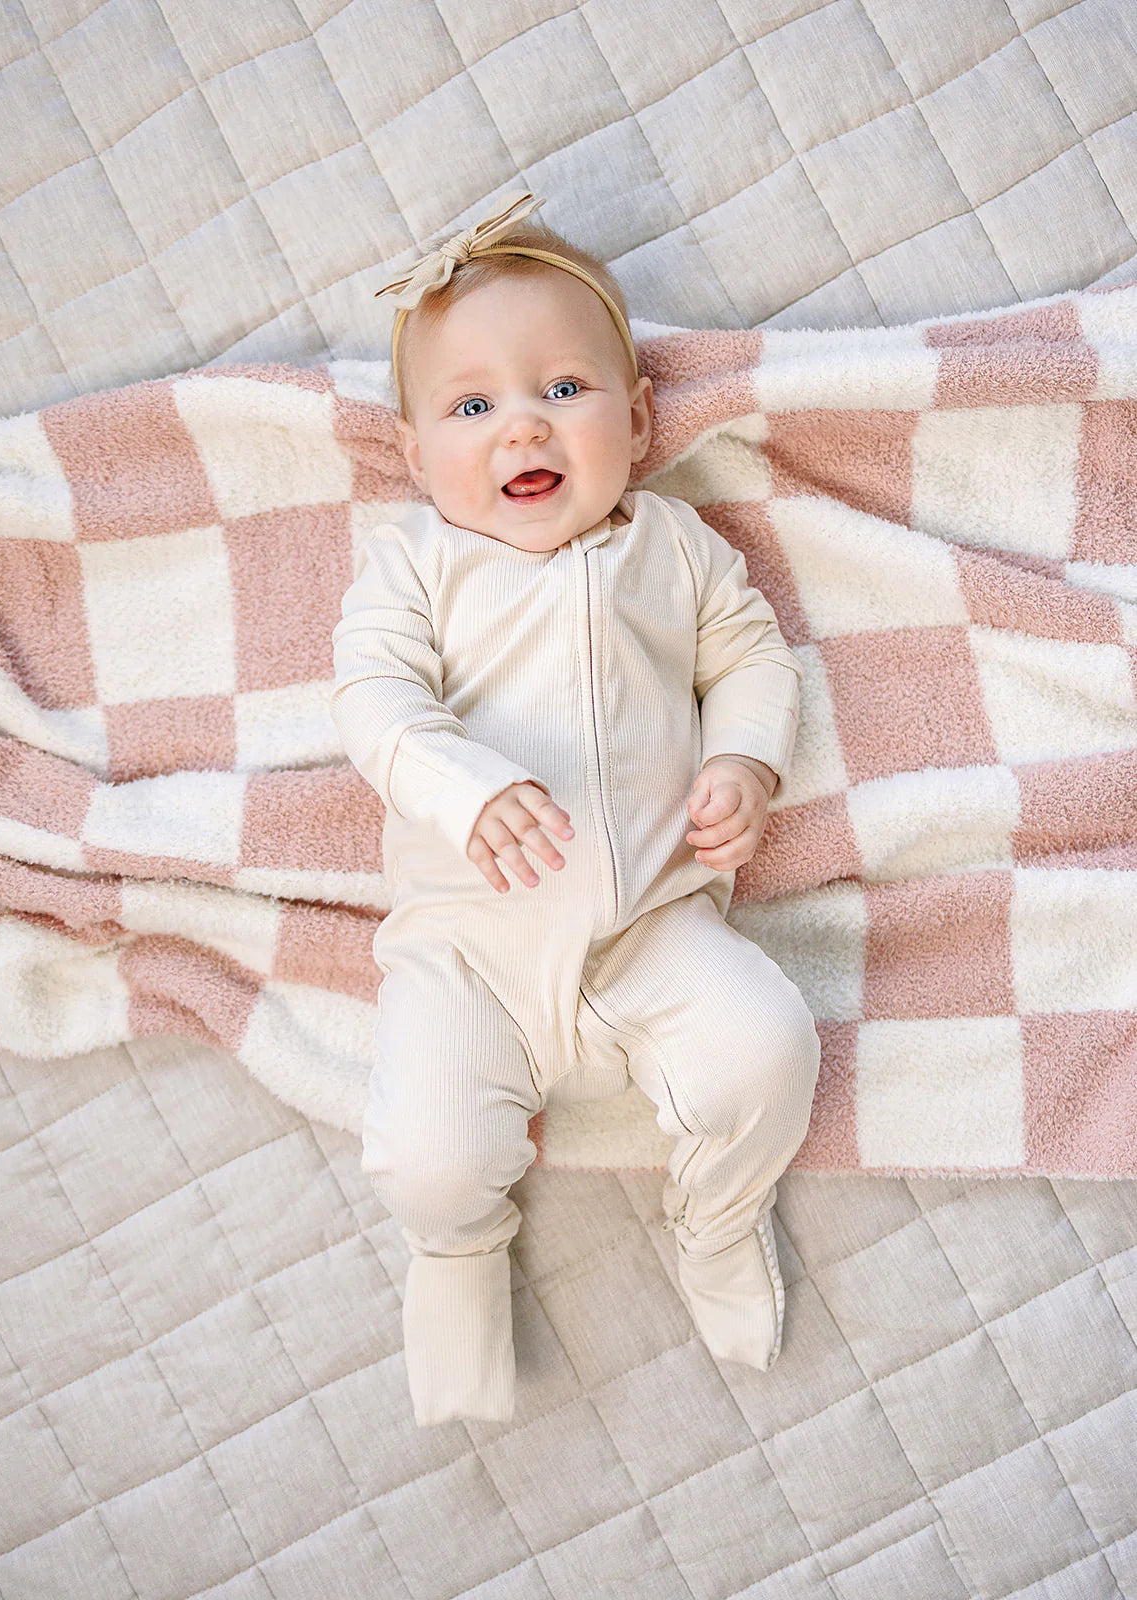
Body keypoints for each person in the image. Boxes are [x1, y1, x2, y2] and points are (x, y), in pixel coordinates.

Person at [331, 190, 821, 1427]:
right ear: (414, 455)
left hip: (655, 923)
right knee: (426, 1157)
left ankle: (719, 1219)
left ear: (640, 419)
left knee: (770, 1044)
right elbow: (373, 700)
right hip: (472, 951)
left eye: (563, 387)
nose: (523, 426)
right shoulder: (416, 562)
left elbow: (753, 656)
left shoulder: (676, 546)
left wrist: (747, 761)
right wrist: (464, 783)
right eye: (472, 406)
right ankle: (457, 1253)